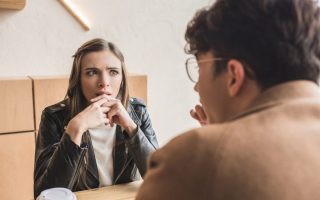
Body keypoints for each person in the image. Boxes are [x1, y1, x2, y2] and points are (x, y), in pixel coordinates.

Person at [136, 0, 320, 199]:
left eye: (199, 69)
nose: (197, 87)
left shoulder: (193, 158)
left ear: (233, 75)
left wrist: (216, 143)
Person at [34, 38, 158, 198]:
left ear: (122, 79)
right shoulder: (54, 117)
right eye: (92, 72)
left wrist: (131, 127)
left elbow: (159, 176)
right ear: (78, 79)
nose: (104, 83)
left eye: (113, 72)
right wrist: (76, 127)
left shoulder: (137, 111)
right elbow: (44, 194)